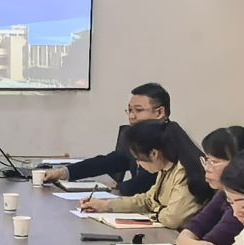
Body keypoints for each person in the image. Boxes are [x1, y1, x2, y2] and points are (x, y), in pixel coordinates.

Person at [33, 81, 170, 194]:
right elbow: (108, 162)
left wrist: (116, 189)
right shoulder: (137, 139)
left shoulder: (170, 141)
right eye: (130, 110)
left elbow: (148, 181)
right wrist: (63, 172)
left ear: (159, 112)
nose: (131, 116)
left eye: (138, 110)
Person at [79, 119, 204, 230]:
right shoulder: (165, 168)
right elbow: (148, 201)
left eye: (138, 158)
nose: (138, 163)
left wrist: (156, 209)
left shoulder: (184, 171)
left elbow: (173, 219)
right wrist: (105, 205)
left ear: (154, 154)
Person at [177, 125, 244, 245]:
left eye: (214, 162)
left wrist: (190, 244)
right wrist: (190, 243)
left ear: (239, 163)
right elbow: (193, 227)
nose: (207, 168)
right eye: (206, 160)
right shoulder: (224, 192)